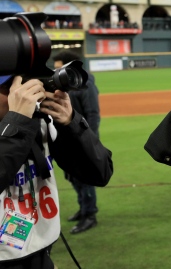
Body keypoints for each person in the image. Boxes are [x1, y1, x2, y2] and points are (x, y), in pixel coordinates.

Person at [0, 74, 113, 268]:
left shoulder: (40, 124)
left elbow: (100, 172)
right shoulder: (23, 124)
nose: (24, 94)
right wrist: (15, 124)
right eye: (11, 87)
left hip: (41, 252)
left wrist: (72, 122)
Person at [52, 50, 101, 234]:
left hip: (81, 140)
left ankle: (90, 215)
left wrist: (87, 141)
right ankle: (83, 209)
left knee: (85, 178)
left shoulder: (86, 84)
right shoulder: (64, 85)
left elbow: (93, 115)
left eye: (59, 68)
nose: (55, 72)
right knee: (73, 177)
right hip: (65, 140)